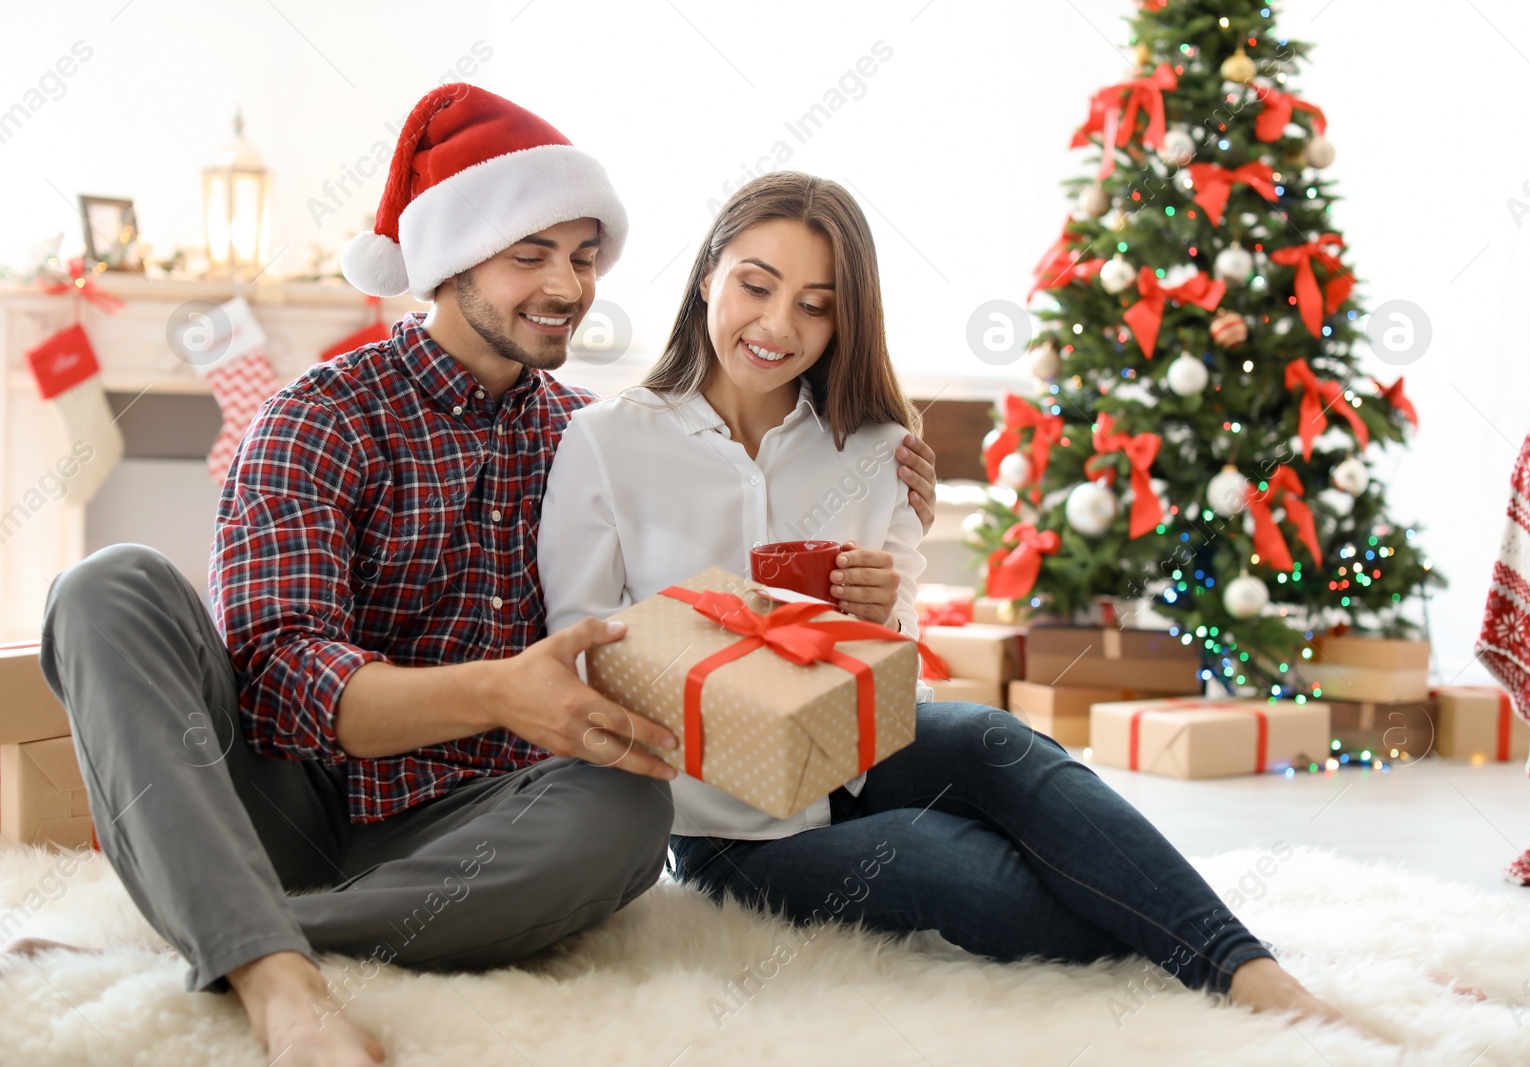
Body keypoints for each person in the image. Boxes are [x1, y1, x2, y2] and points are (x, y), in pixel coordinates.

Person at [12, 88, 942, 1067]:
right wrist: (502, 691)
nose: (566, 286)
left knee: (630, 808)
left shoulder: (591, 435)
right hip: (286, 801)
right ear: (452, 261)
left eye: (583, 258)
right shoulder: (319, 415)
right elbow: (282, 686)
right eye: (528, 255)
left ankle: (225, 926)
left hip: (479, 832)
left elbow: (697, 598)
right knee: (109, 583)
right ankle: (277, 980)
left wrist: (879, 520)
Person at [537, 170, 1350, 1028]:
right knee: (960, 865)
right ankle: (1183, 929)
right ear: (708, 275)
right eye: (755, 285)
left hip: (857, 752)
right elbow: (577, 653)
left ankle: (1260, 979)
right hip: (729, 828)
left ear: (847, 318)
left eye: (817, 304)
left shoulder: (876, 445)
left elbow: (902, 673)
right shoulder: (605, 441)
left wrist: (881, 614)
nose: (778, 326)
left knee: (994, 736)